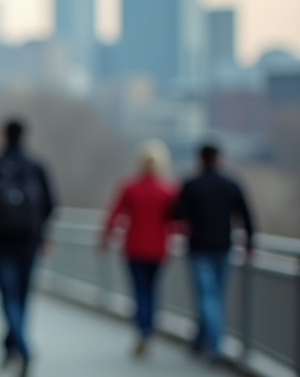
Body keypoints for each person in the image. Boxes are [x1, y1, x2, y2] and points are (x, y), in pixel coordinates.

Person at [0, 118, 56, 377]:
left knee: (8, 295)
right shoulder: (37, 165)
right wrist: (43, 235)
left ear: (3, 136)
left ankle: (18, 346)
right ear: (26, 136)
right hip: (29, 241)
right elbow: (51, 205)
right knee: (22, 295)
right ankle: (16, 343)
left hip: (0, 242)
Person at [171, 143, 255, 363]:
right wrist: (249, 244)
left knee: (206, 297)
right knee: (214, 296)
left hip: (199, 248)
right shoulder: (231, 185)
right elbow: (246, 215)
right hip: (222, 248)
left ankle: (211, 345)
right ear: (219, 159)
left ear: (199, 160)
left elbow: (176, 213)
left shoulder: (191, 185)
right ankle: (206, 342)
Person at [98, 140, 178, 357]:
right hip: (159, 249)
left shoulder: (130, 187)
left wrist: (104, 240)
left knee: (139, 292)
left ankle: (141, 330)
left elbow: (114, 215)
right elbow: (177, 221)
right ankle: (149, 329)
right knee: (152, 291)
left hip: (134, 248)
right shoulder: (168, 190)